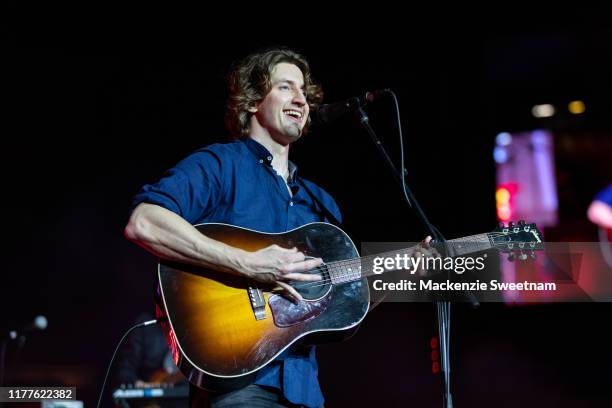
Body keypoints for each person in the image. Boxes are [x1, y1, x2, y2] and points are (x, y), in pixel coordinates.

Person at [125, 47, 433, 407]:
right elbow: (144, 222)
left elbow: (338, 303)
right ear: (253, 100)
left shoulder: (321, 204)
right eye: (286, 88)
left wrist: (398, 274)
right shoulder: (221, 165)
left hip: (305, 391)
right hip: (237, 385)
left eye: (304, 92)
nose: (301, 100)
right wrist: (248, 263)